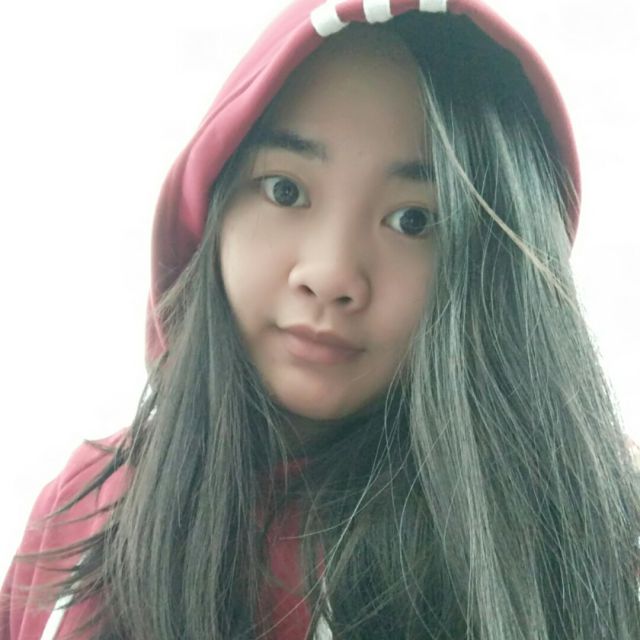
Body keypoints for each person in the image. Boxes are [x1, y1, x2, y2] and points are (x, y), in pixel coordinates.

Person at [2, 0, 639, 638]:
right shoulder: (90, 506)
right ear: (211, 207)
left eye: (414, 220)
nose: (330, 275)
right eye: (285, 190)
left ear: (500, 270)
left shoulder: (584, 541)